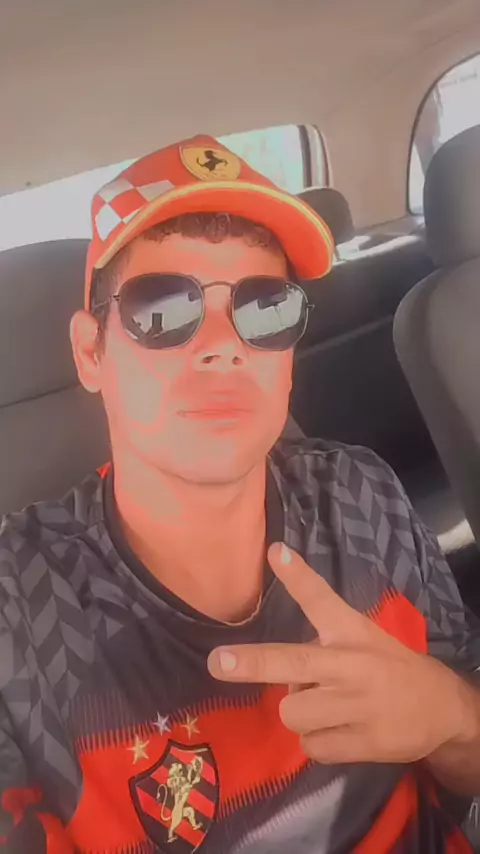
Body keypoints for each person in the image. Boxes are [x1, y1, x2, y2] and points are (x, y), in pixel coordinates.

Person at [0, 134, 480, 854]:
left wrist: (453, 720)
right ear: (91, 351)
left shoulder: (363, 495)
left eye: (266, 308)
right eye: (164, 309)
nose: (224, 345)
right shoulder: (15, 617)